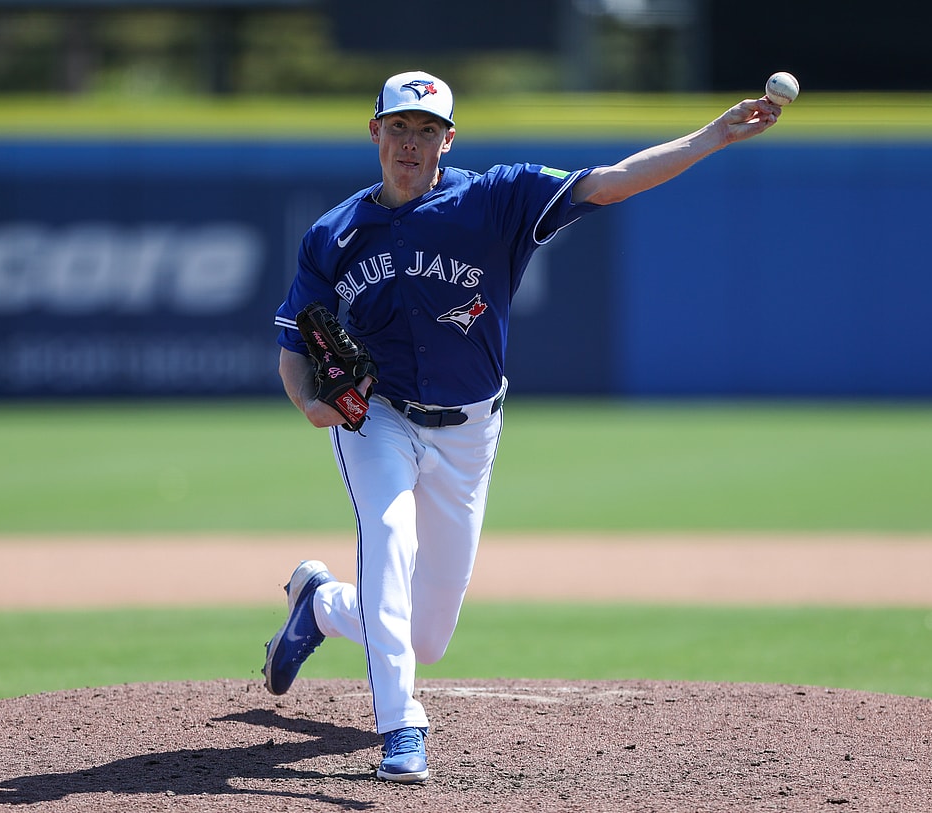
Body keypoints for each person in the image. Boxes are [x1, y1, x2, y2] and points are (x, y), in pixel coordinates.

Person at [264, 70, 783, 784]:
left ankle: (321, 604)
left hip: (468, 431)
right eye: (399, 126)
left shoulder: (496, 197)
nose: (410, 142)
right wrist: (308, 402)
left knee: (428, 635)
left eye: (426, 130)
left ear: (448, 140)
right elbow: (295, 345)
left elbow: (611, 182)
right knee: (387, 538)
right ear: (375, 131)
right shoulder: (333, 233)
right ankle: (401, 726)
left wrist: (714, 135)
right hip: (376, 416)